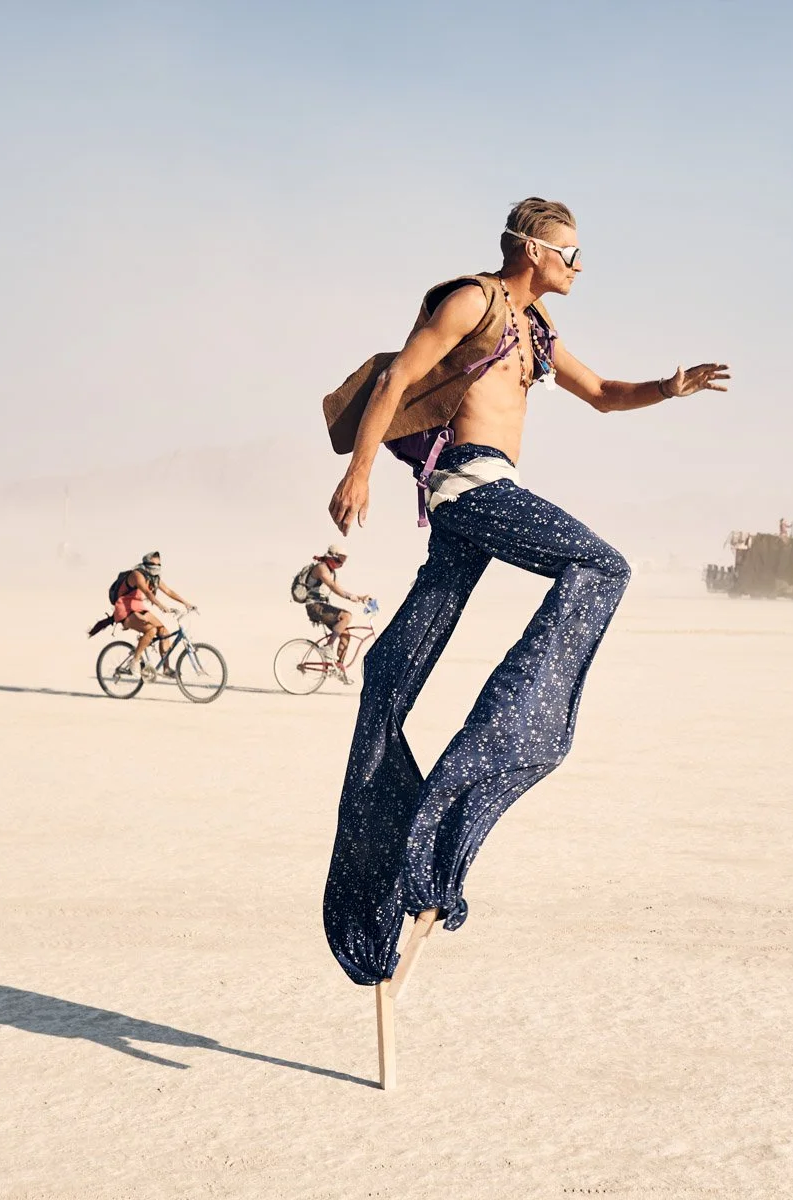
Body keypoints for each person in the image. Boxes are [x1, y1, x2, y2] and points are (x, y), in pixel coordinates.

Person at [320, 196, 729, 986]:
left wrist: (668, 387)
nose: (579, 267)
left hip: (473, 505)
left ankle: (385, 885)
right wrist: (360, 467)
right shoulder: (472, 299)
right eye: (570, 253)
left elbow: (605, 393)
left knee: (388, 679)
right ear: (533, 251)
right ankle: (504, 738)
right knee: (603, 567)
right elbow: (402, 373)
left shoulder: (536, 329)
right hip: (470, 489)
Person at [296, 545, 374, 684]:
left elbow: (338, 587)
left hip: (322, 605)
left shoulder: (331, 571)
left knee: (345, 635)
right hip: (314, 606)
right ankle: (328, 647)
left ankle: (338, 668)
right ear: (333, 555)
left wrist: (360, 597)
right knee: (346, 616)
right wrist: (351, 597)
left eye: (344, 559)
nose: (342, 562)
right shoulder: (321, 568)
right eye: (341, 558)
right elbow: (332, 586)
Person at [112, 552, 193, 679]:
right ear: (146, 564)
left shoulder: (154, 577)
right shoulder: (137, 574)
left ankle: (166, 669)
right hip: (125, 609)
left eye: (159, 564)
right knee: (151, 630)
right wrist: (161, 606)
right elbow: (147, 593)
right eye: (153, 564)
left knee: (164, 631)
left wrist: (186, 603)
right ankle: (135, 661)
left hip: (139, 609)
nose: (156, 567)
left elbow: (168, 591)